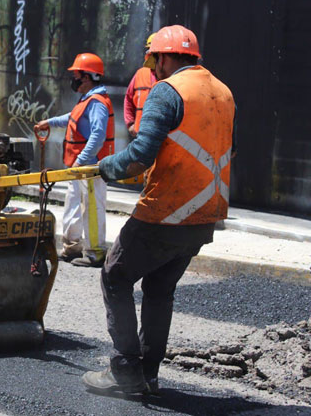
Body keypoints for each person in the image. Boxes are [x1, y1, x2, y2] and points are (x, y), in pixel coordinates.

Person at [81, 25, 235, 395]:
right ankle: (147, 375)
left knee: (115, 275)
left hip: (165, 212)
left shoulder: (167, 92)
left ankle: (125, 372)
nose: (153, 70)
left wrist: (105, 167)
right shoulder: (223, 92)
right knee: (159, 287)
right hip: (205, 214)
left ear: (164, 58)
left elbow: (139, 155)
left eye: (154, 62)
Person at [34, 53, 114, 268]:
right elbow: (72, 118)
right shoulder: (88, 100)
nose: (74, 79)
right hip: (80, 166)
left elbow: (98, 135)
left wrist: (81, 160)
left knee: (92, 209)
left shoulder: (97, 103)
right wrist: (49, 123)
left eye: (76, 75)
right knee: (73, 204)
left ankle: (96, 253)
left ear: (87, 77)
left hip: (90, 166)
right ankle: (72, 247)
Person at [123, 33, 157, 138]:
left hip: (162, 137)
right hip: (139, 136)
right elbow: (128, 99)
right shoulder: (140, 74)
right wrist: (130, 124)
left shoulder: (172, 76)